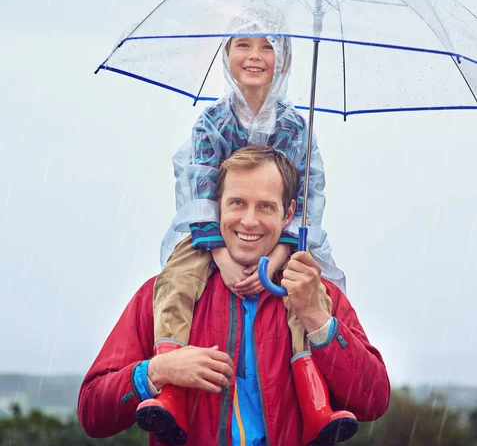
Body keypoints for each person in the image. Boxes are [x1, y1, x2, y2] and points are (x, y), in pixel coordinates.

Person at [78, 146, 390, 446]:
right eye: (237, 203)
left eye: (266, 206)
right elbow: (93, 413)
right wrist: (158, 370)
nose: (249, 220)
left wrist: (316, 318)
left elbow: (372, 401)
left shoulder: (319, 295)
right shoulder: (162, 294)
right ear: (218, 207)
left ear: (288, 214)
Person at [136, 4, 349, 441]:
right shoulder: (211, 123)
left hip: (280, 240)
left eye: (268, 46)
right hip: (211, 236)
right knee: (176, 281)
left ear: (284, 61)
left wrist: (280, 255)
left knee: (303, 292)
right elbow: (199, 192)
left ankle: (315, 402)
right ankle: (171, 392)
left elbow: (306, 197)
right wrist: (222, 257)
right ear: (226, 55)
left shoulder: (295, 127)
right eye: (242, 45)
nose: (254, 55)